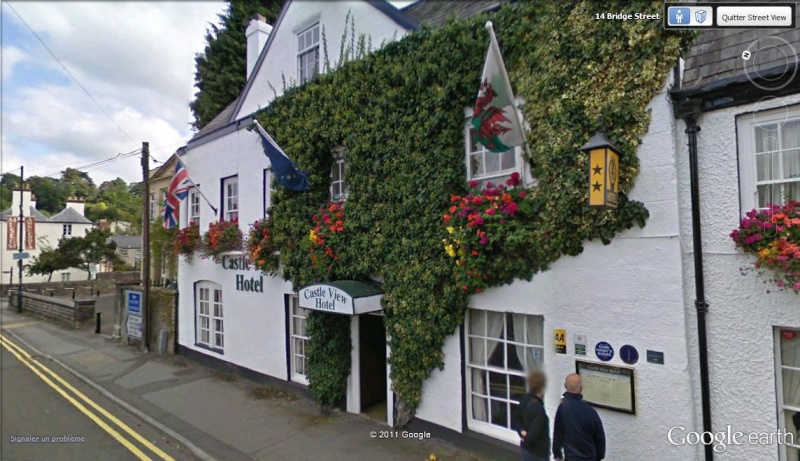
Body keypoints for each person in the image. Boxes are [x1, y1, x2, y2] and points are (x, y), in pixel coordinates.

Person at [552, 373, 606, 461]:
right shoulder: (591, 411)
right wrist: (598, 456)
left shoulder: (563, 408)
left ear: (565, 386)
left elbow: (558, 435)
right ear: (581, 389)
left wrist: (557, 455)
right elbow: (600, 439)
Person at [516, 370, 550, 461]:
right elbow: (533, 434)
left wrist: (522, 432)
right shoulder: (539, 409)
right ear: (542, 387)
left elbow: (516, 421)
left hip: (525, 450)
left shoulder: (524, 400)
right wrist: (527, 438)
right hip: (538, 454)